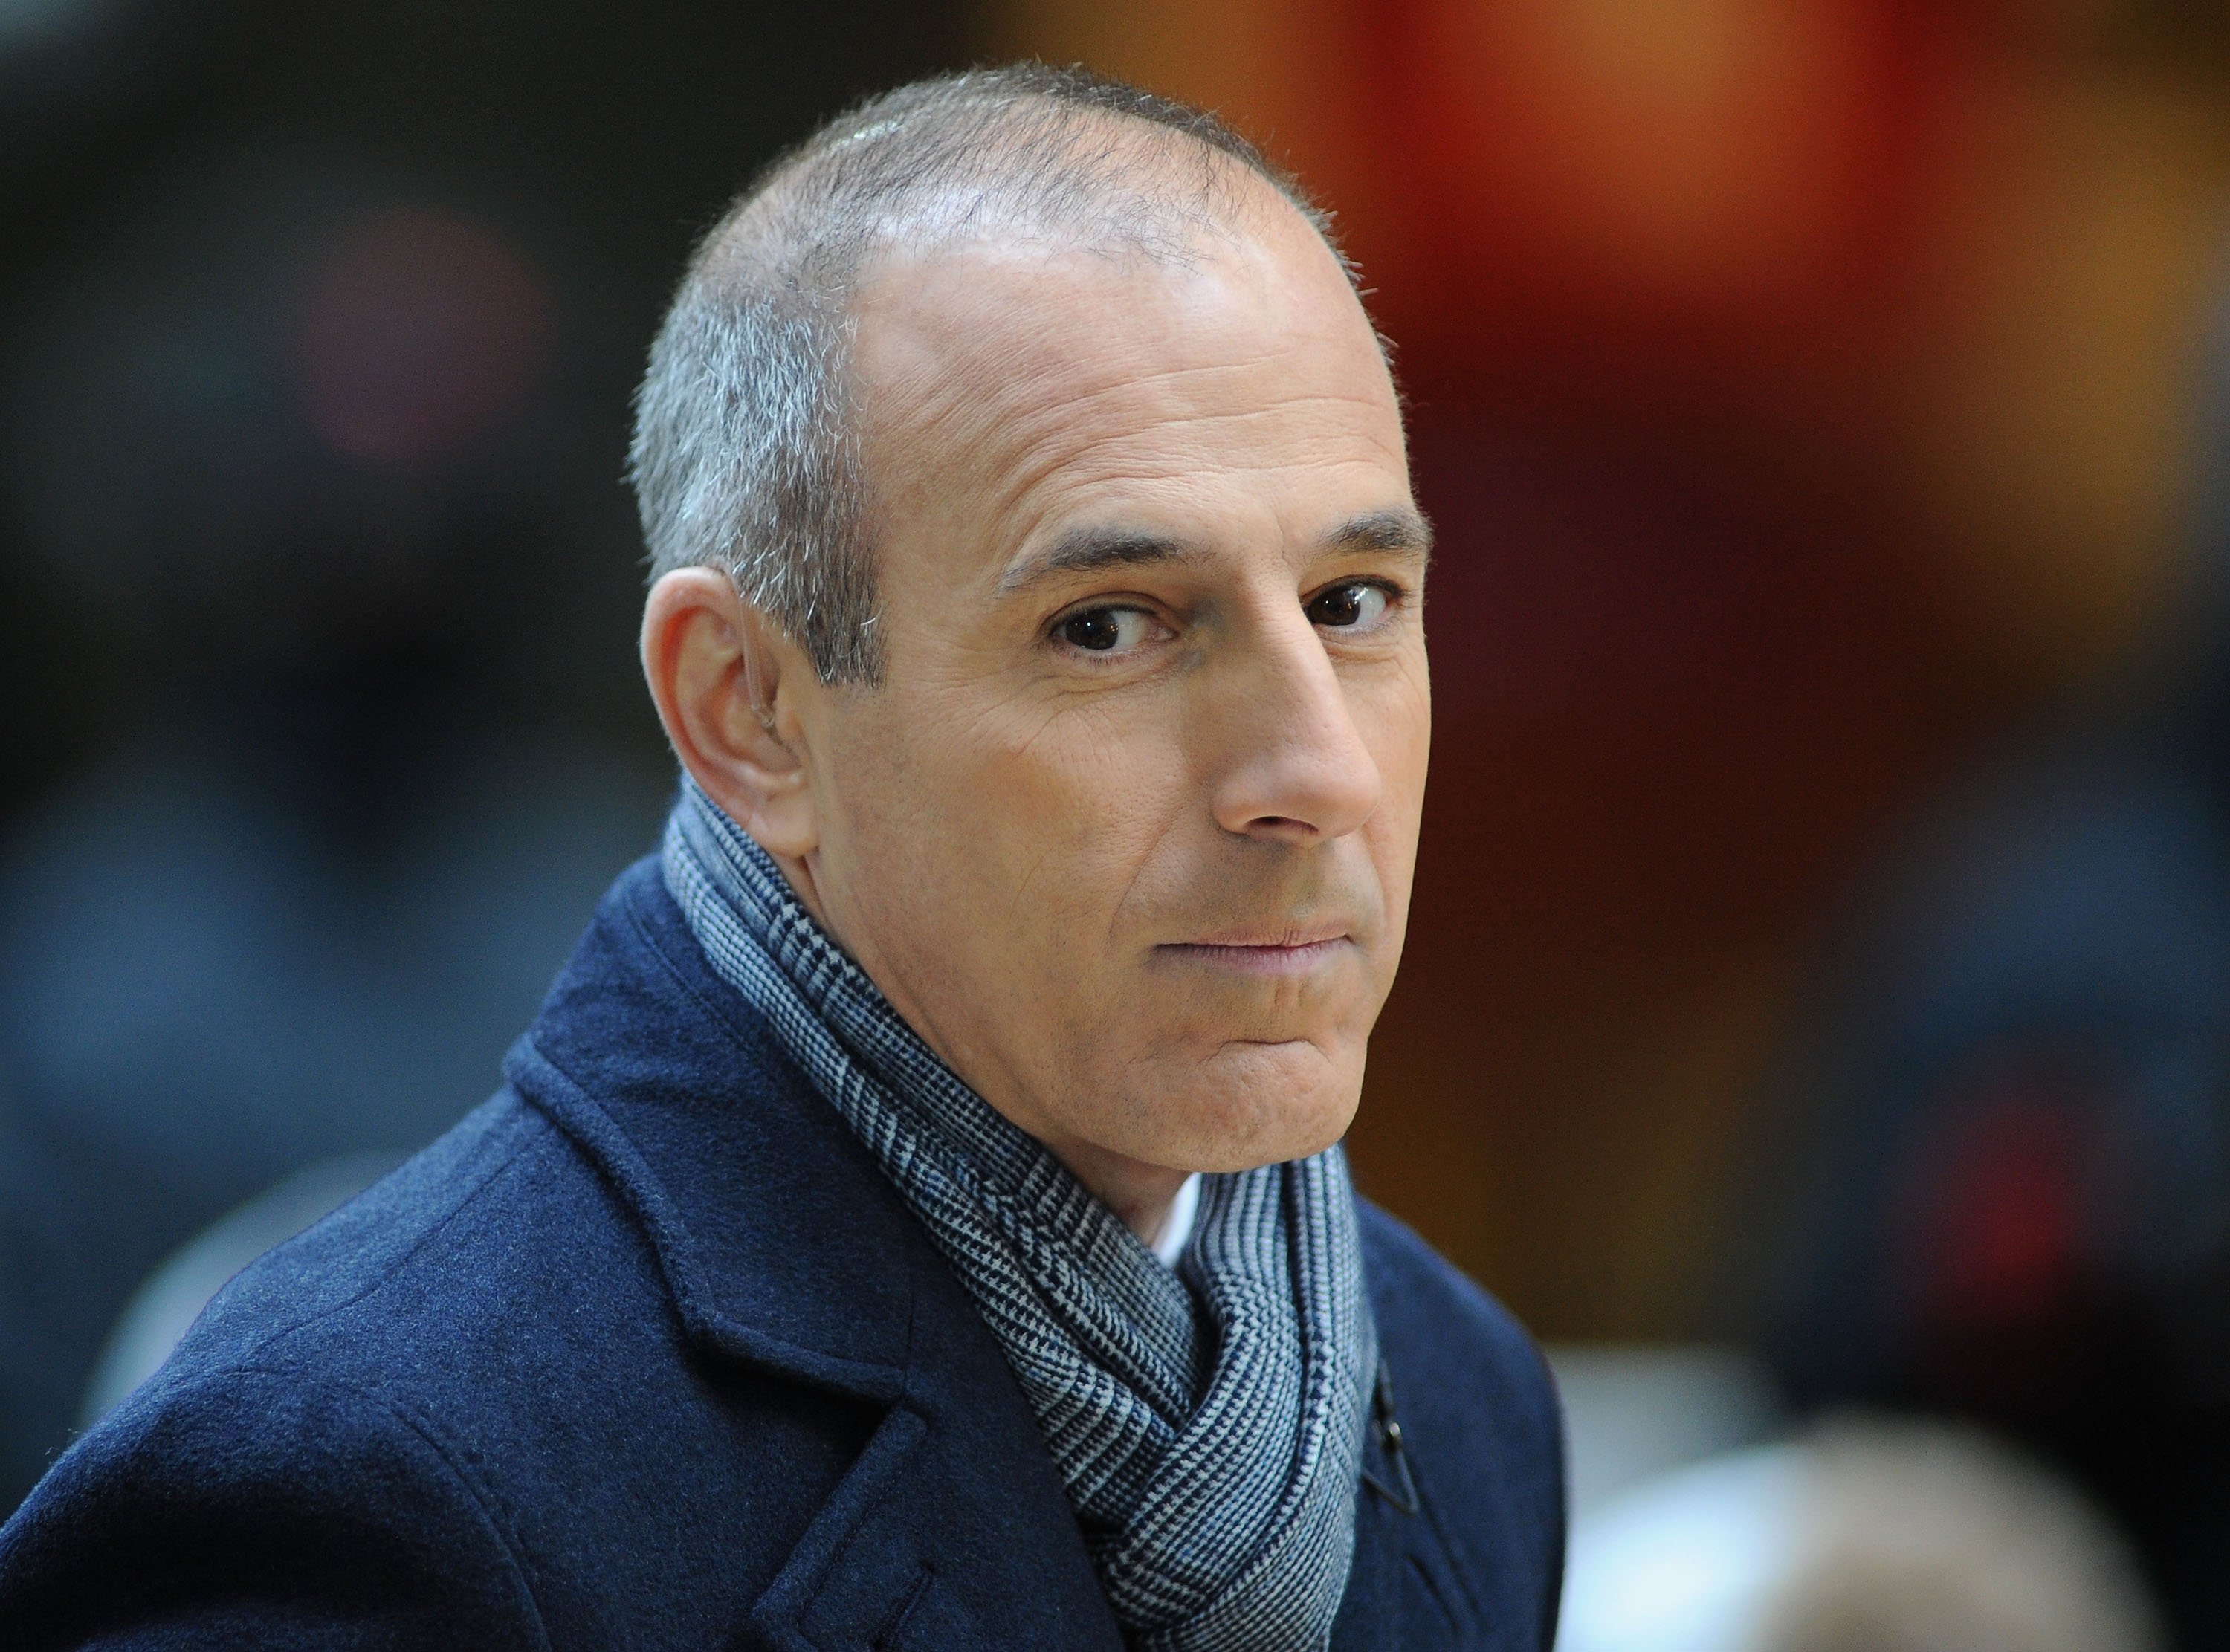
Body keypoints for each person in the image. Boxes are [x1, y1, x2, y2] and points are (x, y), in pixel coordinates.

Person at [0, 65, 1565, 1650]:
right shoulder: (374, 1489)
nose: (1313, 770)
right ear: (746, 710)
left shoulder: (1451, 1392)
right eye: (1108, 626)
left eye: (1354, 600)